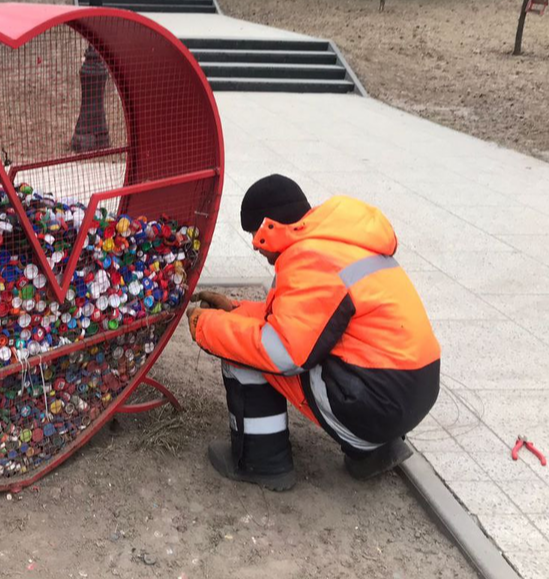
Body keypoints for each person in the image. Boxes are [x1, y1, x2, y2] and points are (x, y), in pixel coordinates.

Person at [187, 174, 440, 491]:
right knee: (244, 333)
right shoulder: (337, 243)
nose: (255, 248)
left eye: (254, 235)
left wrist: (207, 326)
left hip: (376, 401)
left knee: (242, 352)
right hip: (409, 388)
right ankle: (371, 450)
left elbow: (282, 353)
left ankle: (261, 463)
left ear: (269, 228)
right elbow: (300, 321)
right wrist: (235, 310)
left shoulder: (309, 259)